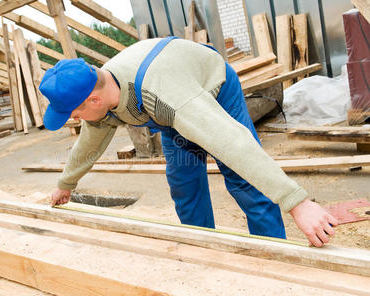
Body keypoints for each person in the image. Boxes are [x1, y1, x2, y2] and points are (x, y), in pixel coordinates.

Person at [39, 37, 338, 247]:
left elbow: (234, 144)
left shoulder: (167, 96)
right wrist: (66, 184)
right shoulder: (100, 95)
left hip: (210, 85)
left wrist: (297, 202)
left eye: (75, 112)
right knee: (183, 182)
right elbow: (89, 144)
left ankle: (274, 252)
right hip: (168, 101)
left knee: (243, 181)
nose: (75, 119)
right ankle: (204, 247)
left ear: (93, 99)